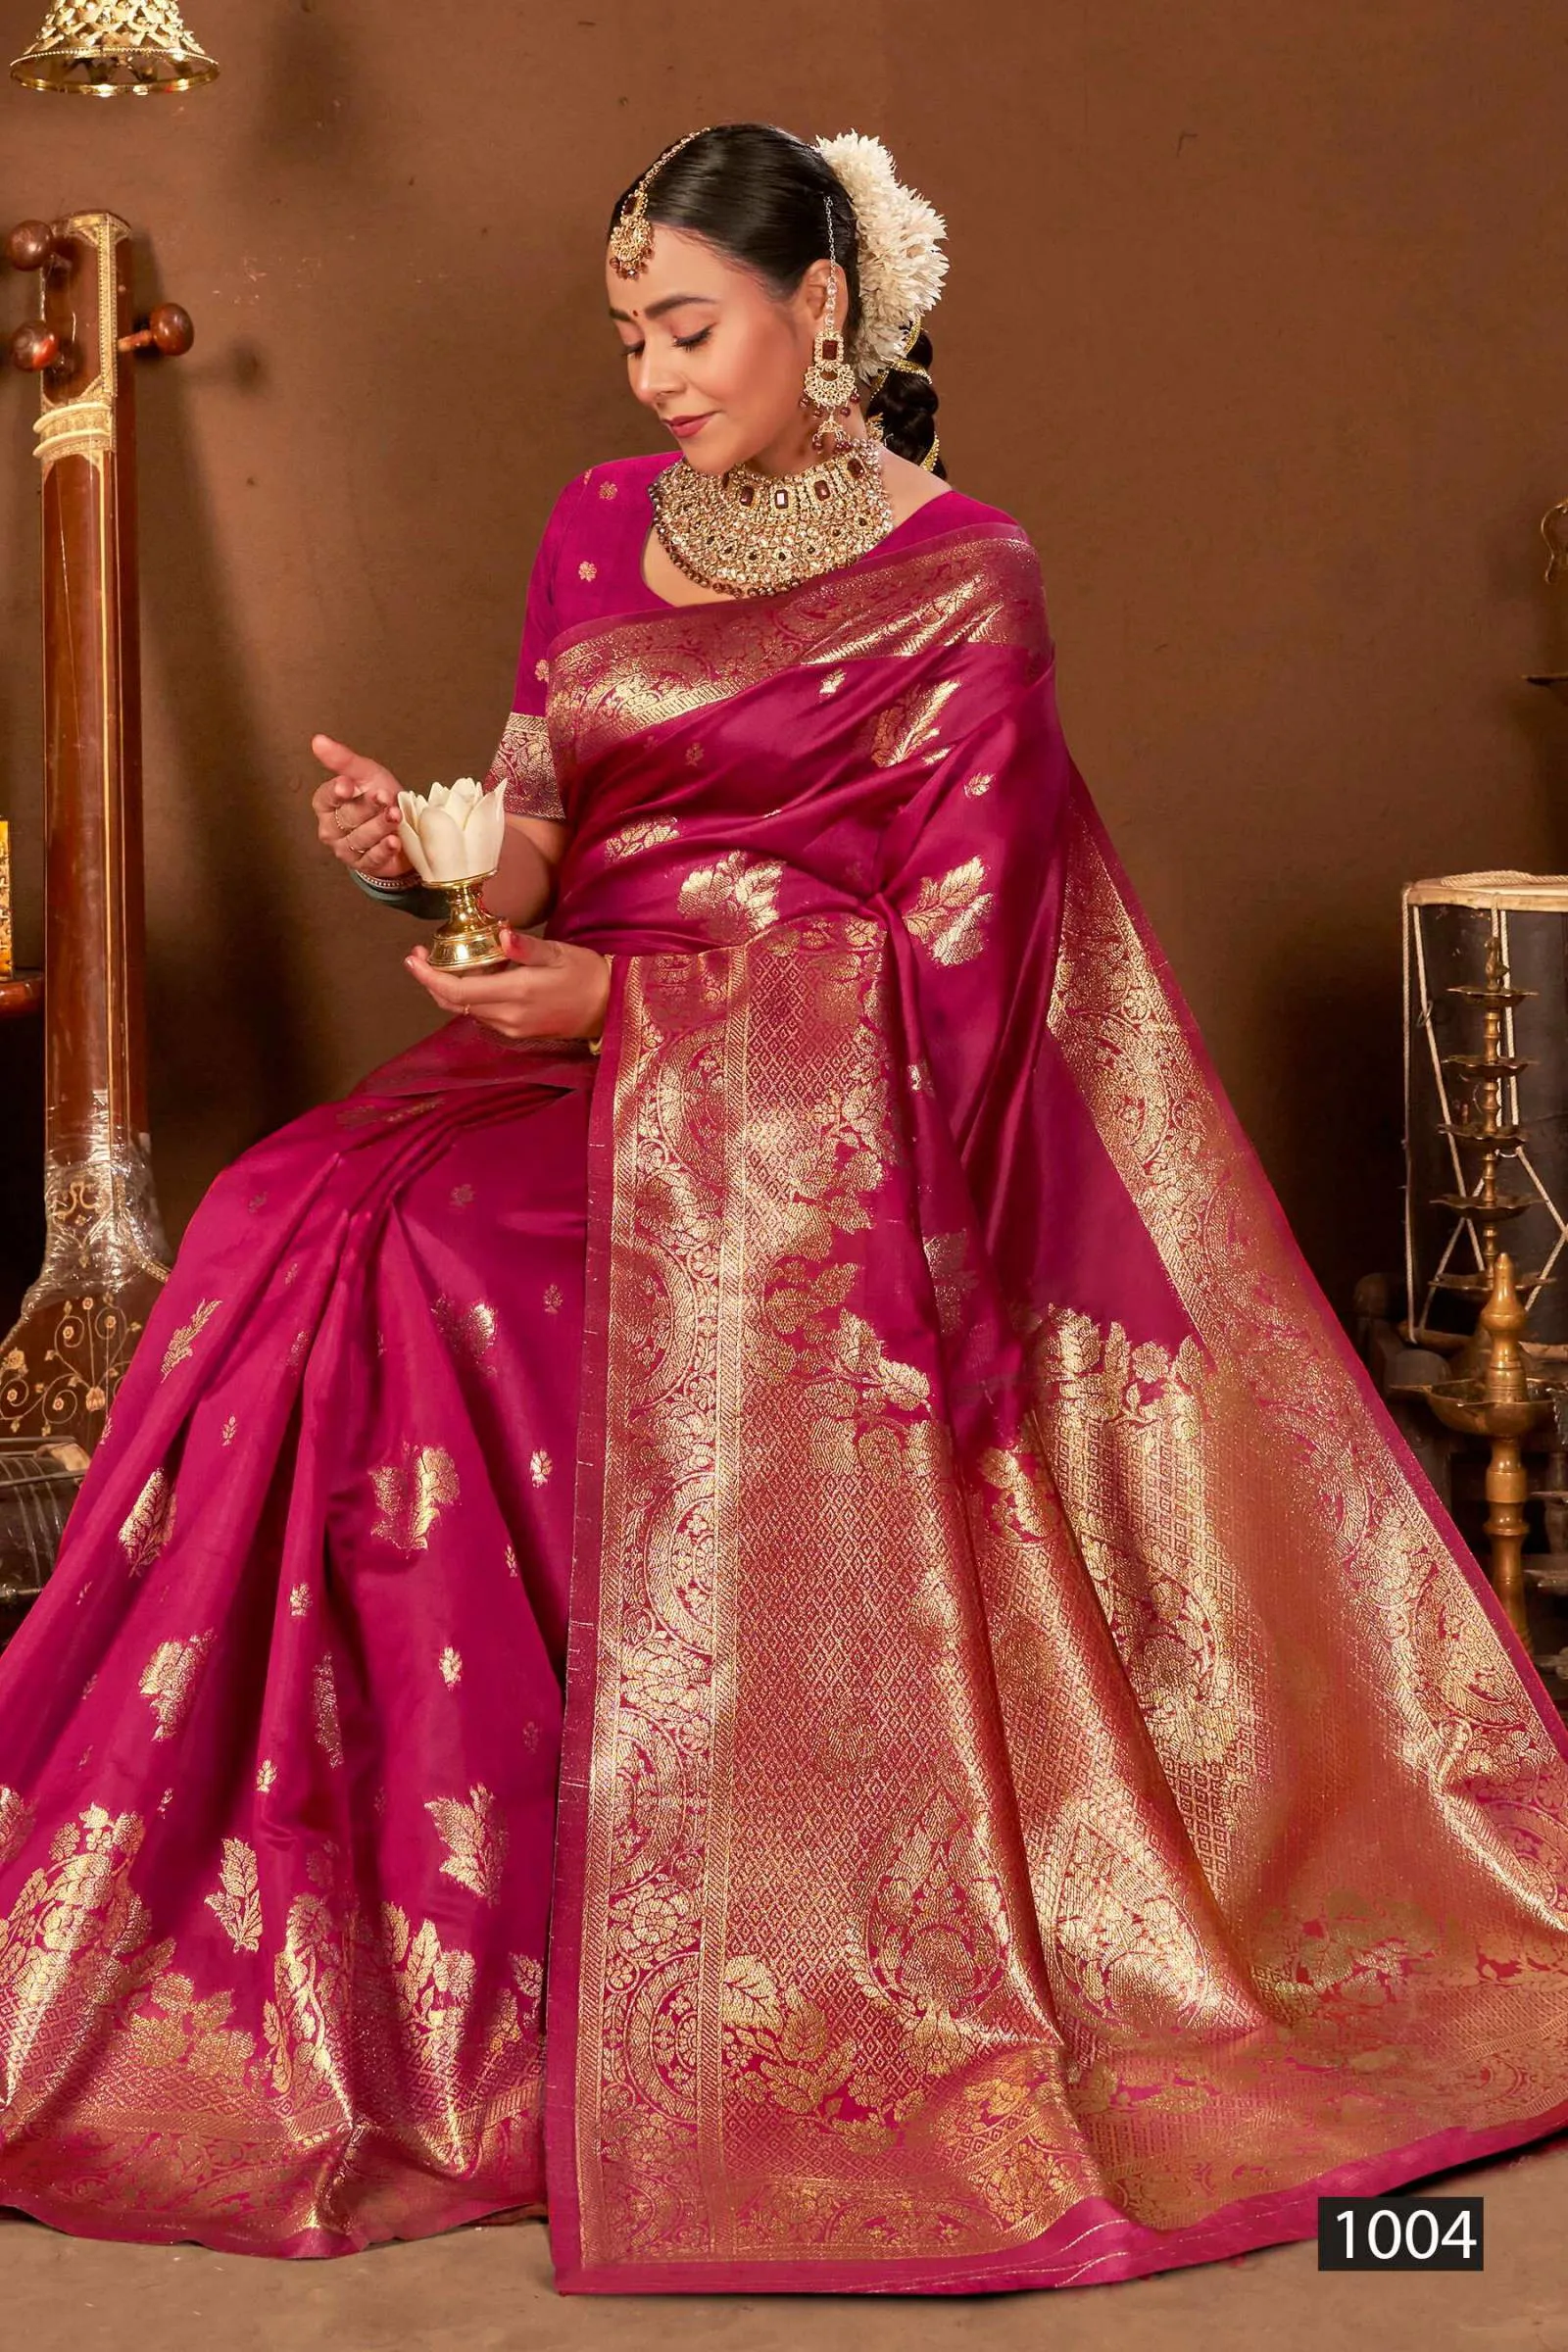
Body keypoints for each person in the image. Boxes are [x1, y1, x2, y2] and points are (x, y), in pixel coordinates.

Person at [2, 121, 1568, 2296]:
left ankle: (555, 1967)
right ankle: (333, 1941)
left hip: (800, 1125)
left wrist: (629, 1011)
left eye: (686, 330)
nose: (651, 379)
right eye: (627, 338)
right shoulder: (596, 525)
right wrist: (431, 868)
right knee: (287, 1208)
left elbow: (964, 973)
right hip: (577, 1057)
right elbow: (541, 822)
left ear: (817, 305)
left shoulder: (966, 581)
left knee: (440, 1261)